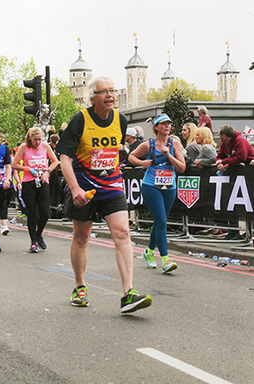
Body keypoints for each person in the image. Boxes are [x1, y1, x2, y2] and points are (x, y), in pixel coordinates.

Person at [56, 76, 152, 314]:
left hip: (111, 184)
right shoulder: (80, 120)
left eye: (113, 90)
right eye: (104, 92)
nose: (110, 95)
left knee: (122, 231)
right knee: (82, 236)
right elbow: (65, 158)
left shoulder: (120, 119)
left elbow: (113, 149)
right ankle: (79, 286)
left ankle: (128, 293)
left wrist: (111, 164)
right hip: (84, 186)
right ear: (92, 98)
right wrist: (75, 188)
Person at [128, 114, 185, 273]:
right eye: (163, 124)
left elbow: (182, 167)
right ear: (156, 127)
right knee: (161, 220)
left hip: (170, 187)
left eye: (169, 124)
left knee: (161, 221)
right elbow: (131, 157)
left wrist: (168, 155)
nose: (167, 126)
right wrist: (142, 163)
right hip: (151, 186)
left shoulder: (175, 144)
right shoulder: (149, 145)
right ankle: (165, 259)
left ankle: (149, 252)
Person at [12, 127, 59, 252]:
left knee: (45, 212)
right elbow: (14, 164)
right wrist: (28, 169)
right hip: (29, 183)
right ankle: (33, 241)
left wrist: (47, 172)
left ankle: (38, 234)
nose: (37, 143)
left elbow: (55, 161)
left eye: (39, 139)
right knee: (32, 213)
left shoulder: (45, 146)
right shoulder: (23, 147)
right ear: (29, 138)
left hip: (43, 182)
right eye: (35, 140)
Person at [216, 124, 254, 240]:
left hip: (246, 176)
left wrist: (224, 161)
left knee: (247, 204)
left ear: (224, 135)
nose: (218, 137)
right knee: (230, 204)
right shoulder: (224, 143)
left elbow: (241, 158)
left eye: (219, 135)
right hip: (233, 176)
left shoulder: (240, 141)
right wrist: (219, 162)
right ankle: (233, 231)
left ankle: (248, 233)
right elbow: (219, 156)